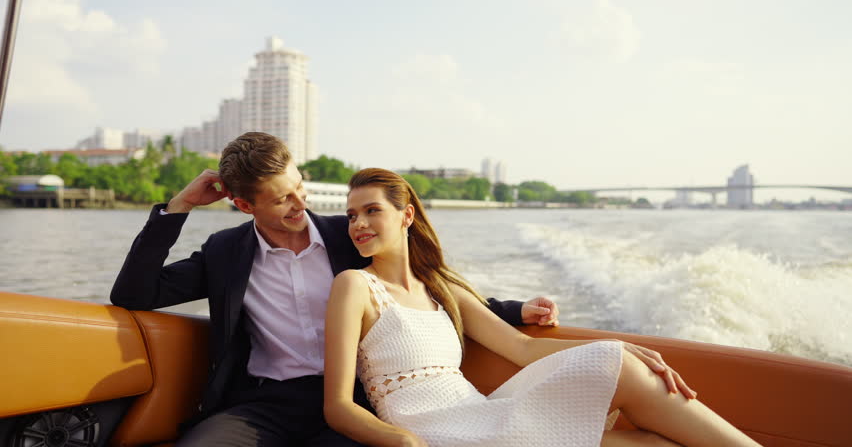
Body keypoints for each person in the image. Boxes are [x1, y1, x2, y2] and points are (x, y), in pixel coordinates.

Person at [110, 132, 558, 447]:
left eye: (299, 186)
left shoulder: (351, 235)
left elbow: (419, 283)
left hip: (355, 401)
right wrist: (179, 206)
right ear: (244, 205)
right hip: (263, 405)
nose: (300, 203)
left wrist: (515, 310)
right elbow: (134, 294)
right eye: (282, 198)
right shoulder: (225, 251)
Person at [323, 168, 762, 447]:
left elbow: (522, 349)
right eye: (351, 215)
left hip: (483, 413)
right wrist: (401, 442)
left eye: (371, 211)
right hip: (434, 431)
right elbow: (338, 405)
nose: (358, 225)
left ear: (406, 216)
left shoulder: (442, 287)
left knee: (628, 379)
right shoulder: (355, 287)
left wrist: (621, 343)